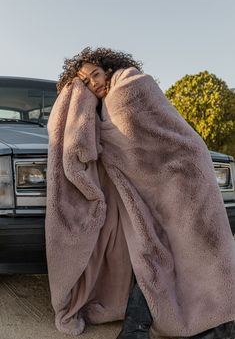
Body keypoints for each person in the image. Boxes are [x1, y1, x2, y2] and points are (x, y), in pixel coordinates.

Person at [53, 47, 235, 339]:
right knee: (153, 249)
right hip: (154, 184)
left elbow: (143, 132)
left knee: (202, 249)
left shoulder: (130, 83)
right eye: (85, 83)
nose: (93, 84)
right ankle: (143, 326)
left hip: (185, 175)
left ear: (108, 68)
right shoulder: (100, 105)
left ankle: (221, 321)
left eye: (95, 75)